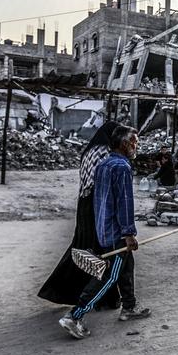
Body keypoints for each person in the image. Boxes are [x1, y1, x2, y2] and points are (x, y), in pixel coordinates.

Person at [59, 125, 151, 339]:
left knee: (126, 266)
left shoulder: (104, 164)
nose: (136, 146)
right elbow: (124, 203)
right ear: (125, 144)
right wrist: (128, 233)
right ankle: (75, 316)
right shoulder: (121, 167)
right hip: (116, 234)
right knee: (109, 276)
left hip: (104, 229)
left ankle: (129, 306)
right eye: (135, 142)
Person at [38, 122, 123, 310]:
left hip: (84, 203)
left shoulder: (89, 151)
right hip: (96, 203)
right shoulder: (105, 152)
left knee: (83, 248)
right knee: (102, 250)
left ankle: (62, 291)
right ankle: (103, 299)